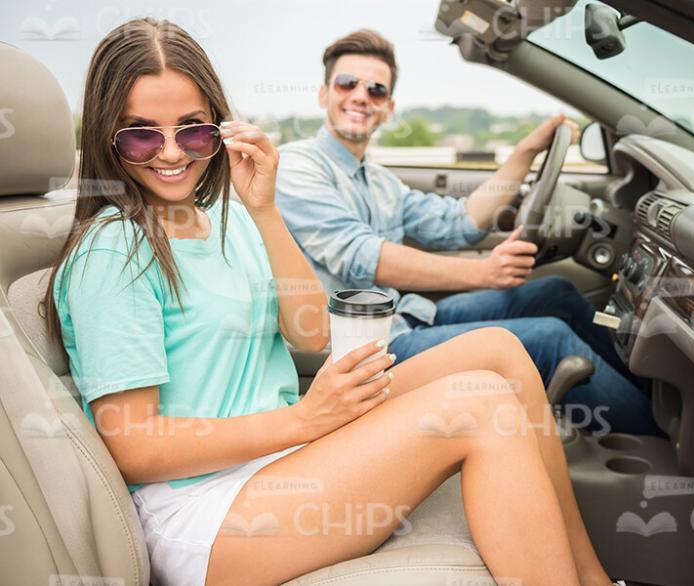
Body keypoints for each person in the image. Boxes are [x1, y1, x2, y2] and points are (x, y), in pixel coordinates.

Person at [43, 18, 624, 586]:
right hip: (204, 512)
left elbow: (310, 336)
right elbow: (134, 446)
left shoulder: (228, 218)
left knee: (499, 352)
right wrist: (304, 417)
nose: (170, 153)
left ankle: (594, 579)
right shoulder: (113, 252)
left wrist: (265, 211)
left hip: (280, 454)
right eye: (141, 134)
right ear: (105, 136)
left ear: (219, 129)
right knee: (477, 408)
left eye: (192, 130)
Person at [275, 29, 658, 436]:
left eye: (375, 89)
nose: (360, 96)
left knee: (556, 293)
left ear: (388, 108)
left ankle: (651, 397)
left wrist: (524, 154)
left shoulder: (380, 181)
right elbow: (361, 254)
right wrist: (484, 273)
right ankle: (665, 438)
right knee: (549, 338)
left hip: (407, 316)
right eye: (347, 83)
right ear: (324, 94)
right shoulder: (298, 167)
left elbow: (459, 223)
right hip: (365, 354)